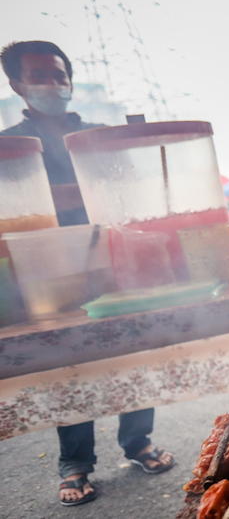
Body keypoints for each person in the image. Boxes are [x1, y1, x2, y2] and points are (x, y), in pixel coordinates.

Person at [1, 41, 175, 507]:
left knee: (129, 349)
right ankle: (74, 462)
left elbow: (128, 190)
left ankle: (137, 441)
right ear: (16, 84)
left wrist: (70, 196)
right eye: (39, 76)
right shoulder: (12, 146)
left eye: (60, 75)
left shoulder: (99, 135)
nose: (54, 85)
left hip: (115, 263)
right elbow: (28, 204)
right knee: (71, 363)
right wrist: (83, 193)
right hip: (52, 274)